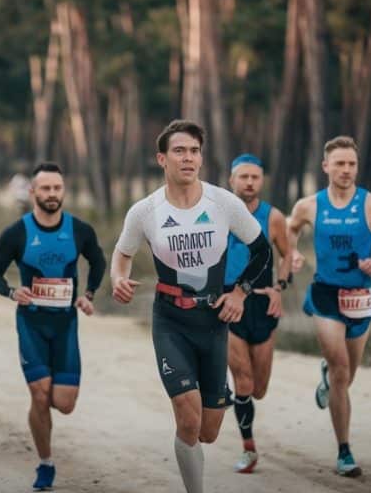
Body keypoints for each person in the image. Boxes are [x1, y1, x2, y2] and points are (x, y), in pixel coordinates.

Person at [110, 120, 272, 493]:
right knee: (186, 413)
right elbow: (122, 255)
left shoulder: (223, 203)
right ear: (162, 158)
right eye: (180, 151)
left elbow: (261, 250)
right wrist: (119, 279)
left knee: (208, 431)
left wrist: (240, 293)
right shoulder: (145, 211)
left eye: (195, 151)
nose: (188, 158)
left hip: (213, 322)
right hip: (170, 321)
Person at [286, 135, 371, 477]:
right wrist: (292, 253)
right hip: (325, 295)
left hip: (360, 298)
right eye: (339, 163)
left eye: (351, 163)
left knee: (347, 375)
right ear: (325, 167)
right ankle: (344, 451)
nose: (346, 170)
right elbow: (290, 230)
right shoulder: (309, 205)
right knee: (340, 371)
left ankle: (328, 378)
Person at [0, 163, 106, 491]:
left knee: (63, 403)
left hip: (65, 325)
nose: (52, 194)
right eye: (46, 189)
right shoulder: (16, 233)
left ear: (62, 191)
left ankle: (43, 405)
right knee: (40, 395)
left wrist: (89, 294)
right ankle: (45, 463)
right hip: (31, 324)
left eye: (57, 188)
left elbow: (98, 261)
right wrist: (13, 291)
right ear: (33, 192)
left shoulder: (79, 230)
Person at [222, 154, 292, 474]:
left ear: (261, 180)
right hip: (228, 304)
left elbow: (287, 255)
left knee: (259, 389)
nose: (249, 182)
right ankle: (248, 448)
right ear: (231, 180)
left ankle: (234, 394)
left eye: (255, 177)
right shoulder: (217, 214)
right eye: (243, 177)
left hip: (263, 305)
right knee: (244, 383)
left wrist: (279, 286)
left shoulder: (273, 217)